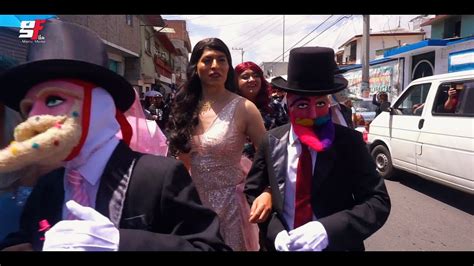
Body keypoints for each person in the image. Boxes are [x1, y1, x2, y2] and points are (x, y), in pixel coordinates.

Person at [0, 20, 229, 251]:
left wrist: (121, 242)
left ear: (98, 106)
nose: (34, 118)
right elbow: (23, 234)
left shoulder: (159, 177)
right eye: (28, 108)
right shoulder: (48, 186)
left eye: (53, 100)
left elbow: (210, 247)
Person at [244, 47, 391, 251]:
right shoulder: (272, 141)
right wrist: (275, 233)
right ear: (289, 105)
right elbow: (253, 189)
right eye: (303, 105)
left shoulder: (349, 143)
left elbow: (377, 201)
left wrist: (327, 230)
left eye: (321, 103)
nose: (313, 115)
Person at [167, 38, 268, 251]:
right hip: (193, 203)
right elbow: (180, 161)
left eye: (221, 60)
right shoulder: (185, 106)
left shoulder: (244, 108)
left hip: (232, 205)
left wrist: (266, 192)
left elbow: (268, 156)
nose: (215, 66)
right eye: (208, 60)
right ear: (196, 67)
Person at [235, 61, 288, 159]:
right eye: (245, 77)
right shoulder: (230, 108)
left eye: (256, 76)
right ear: (235, 81)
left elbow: (285, 136)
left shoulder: (274, 106)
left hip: (269, 164)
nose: (251, 80)